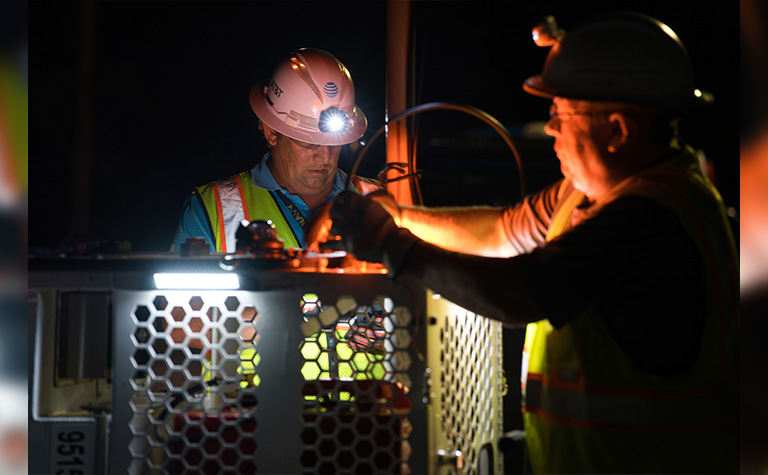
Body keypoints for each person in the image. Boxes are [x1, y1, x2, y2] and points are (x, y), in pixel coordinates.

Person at [320, 12, 738, 474]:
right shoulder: (592, 192)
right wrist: (396, 215)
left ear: (619, 130)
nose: (552, 128)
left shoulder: (648, 220)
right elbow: (502, 230)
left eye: (562, 114)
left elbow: (522, 291)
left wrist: (391, 246)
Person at [171, 47, 379, 254]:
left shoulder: (384, 201)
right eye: (309, 143)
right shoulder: (211, 210)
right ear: (271, 132)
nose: (325, 157)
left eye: (334, 143)